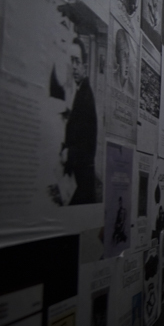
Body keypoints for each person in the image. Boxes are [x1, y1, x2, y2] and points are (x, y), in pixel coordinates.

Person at [60, 38, 97, 205]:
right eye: (71, 61)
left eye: (77, 61)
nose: (74, 66)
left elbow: (88, 146)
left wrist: (68, 153)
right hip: (79, 180)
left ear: (85, 66)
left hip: (81, 183)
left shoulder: (85, 96)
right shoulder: (81, 91)